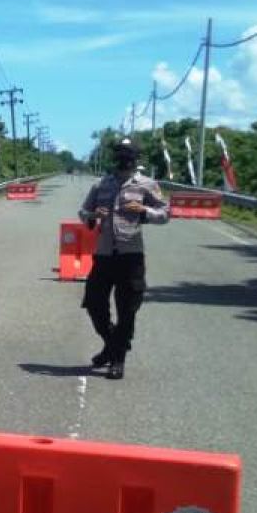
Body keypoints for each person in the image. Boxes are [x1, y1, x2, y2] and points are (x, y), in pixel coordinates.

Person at [78, 138, 170, 380]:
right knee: (94, 304)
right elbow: (83, 212)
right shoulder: (101, 184)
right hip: (104, 255)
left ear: (135, 159)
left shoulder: (146, 185)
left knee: (127, 310)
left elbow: (165, 213)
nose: (124, 159)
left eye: (128, 155)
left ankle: (117, 359)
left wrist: (145, 212)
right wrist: (92, 215)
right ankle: (112, 344)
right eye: (120, 155)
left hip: (131, 256)